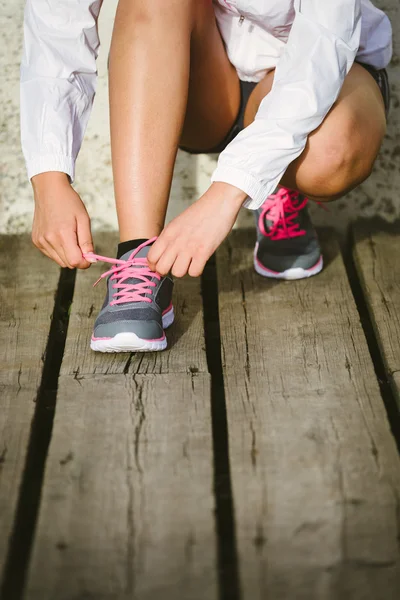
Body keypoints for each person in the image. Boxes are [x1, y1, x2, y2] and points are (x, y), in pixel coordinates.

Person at [21, 0, 392, 353]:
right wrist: (49, 176)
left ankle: (277, 181)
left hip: (322, 81)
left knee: (329, 153)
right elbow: (58, 20)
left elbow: (324, 46)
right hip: (207, 80)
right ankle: (138, 257)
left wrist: (229, 191)